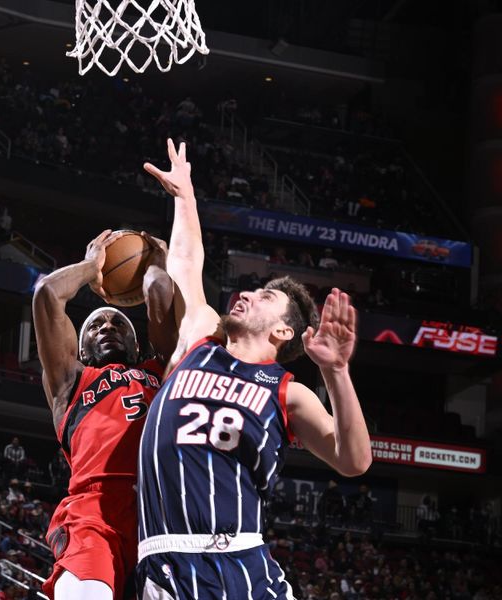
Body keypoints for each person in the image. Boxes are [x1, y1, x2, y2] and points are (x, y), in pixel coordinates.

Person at [136, 140, 371, 599]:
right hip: (165, 562)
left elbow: (354, 460)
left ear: (284, 333)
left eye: (266, 296)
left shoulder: (288, 391)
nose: (248, 294)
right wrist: (186, 199)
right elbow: (185, 263)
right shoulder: (199, 338)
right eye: (253, 289)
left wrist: (337, 373)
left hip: (239, 562)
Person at [32, 229, 176, 600]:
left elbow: (160, 298)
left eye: (119, 325)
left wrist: (158, 265)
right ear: (80, 350)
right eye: (95, 326)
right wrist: (91, 266)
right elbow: (48, 294)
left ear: (136, 343)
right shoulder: (71, 380)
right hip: (93, 513)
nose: (107, 328)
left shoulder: (160, 369)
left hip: (160, 513)